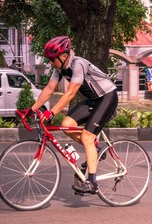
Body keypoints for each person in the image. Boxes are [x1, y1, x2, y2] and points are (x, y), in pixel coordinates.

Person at [29, 36, 118, 194]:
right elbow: (49, 89)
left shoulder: (78, 64)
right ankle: (96, 151)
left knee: (87, 137)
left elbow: (70, 93)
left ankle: (92, 182)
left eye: (52, 59)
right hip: (92, 99)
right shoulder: (59, 68)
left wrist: (51, 112)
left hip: (107, 97)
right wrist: (31, 109)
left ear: (63, 56)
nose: (50, 62)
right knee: (67, 125)